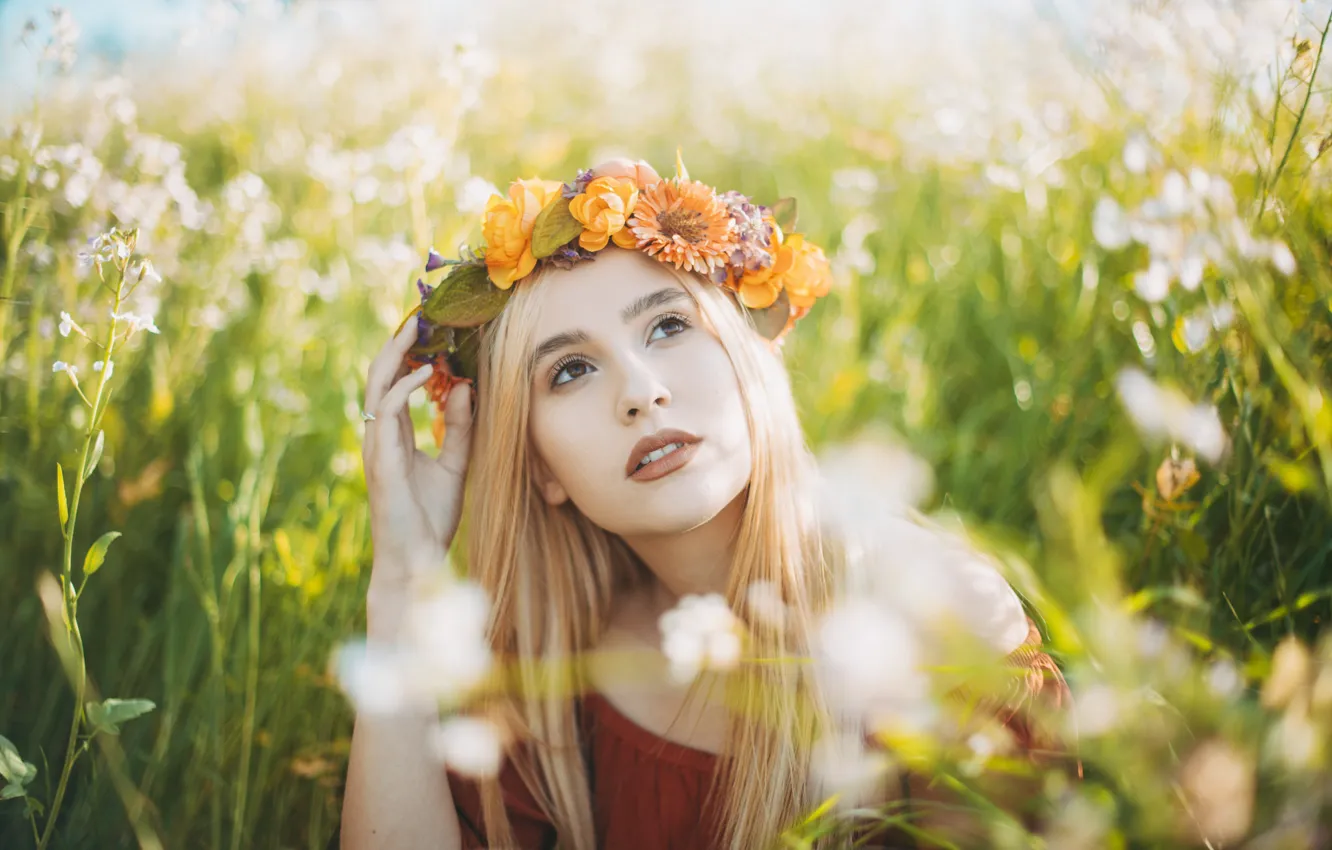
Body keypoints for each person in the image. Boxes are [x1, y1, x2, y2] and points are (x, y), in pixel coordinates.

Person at [341, 155, 1075, 850]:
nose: (640, 390)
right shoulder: (562, 668)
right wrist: (403, 585)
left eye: (668, 325)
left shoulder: (941, 621)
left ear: (749, 353)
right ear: (539, 468)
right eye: (569, 370)